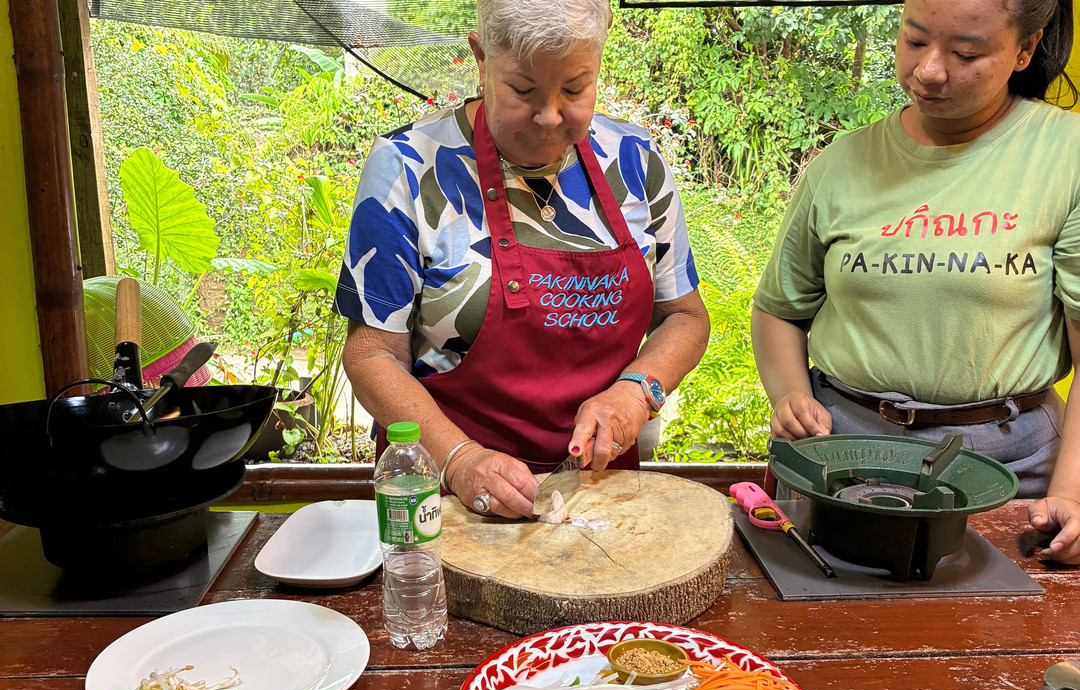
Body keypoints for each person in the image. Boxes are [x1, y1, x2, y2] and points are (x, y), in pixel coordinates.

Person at [335, 0, 709, 519]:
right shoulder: (407, 168)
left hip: (601, 502)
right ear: (480, 59)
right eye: (524, 90)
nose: (550, 116)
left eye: (575, 89)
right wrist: (462, 461)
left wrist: (635, 392)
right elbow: (372, 355)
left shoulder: (635, 162)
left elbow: (685, 319)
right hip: (447, 499)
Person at [752, 0, 1080, 563]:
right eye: (914, 40)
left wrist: (1071, 493)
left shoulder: (1065, 156)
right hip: (840, 451)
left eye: (966, 52)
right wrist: (791, 396)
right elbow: (780, 306)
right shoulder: (841, 163)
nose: (929, 70)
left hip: (1009, 469)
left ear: (1025, 49)